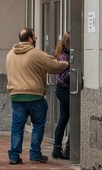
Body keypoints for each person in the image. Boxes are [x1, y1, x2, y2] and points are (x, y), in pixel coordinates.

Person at [6, 27, 69, 165]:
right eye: (34, 37)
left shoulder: (10, 54)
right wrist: (67, 63)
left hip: (16, 97)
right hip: (35, 96)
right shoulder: (36, 54)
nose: (35, 39)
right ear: (30, 39)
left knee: (17, 127)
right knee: (38, 126)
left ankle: (14, 156)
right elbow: (54, 66)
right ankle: (35, 154)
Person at [52, 32, 71, 160]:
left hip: (62, 90)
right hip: (65, 90)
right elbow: (65, 76)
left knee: (63, 119)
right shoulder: (64, 56)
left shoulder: (61, 53)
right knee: (75, 119)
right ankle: (69, 149)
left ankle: (57, 149)